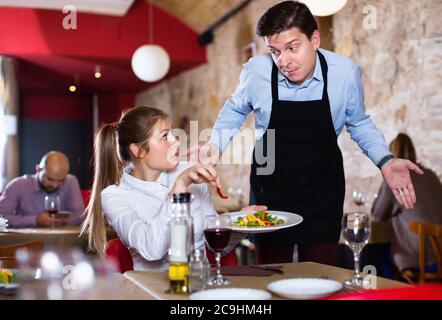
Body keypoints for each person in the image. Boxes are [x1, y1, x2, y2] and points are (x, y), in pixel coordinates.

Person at [196, 1, 423, 265]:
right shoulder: (256, 71)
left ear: (314, 39)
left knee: (320, 275)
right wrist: (216, 144)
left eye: (292, 48)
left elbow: (358, 122)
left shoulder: (344, 73)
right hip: (270, 190)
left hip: (322, 193)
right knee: (271, 273)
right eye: (275, 51)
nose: (284, 61)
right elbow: (234, 110)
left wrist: (385, 160)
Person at [81, 106, 264, 271]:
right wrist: (179, 187)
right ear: (139, 150)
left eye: (173, 134)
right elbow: (152, 250)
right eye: (165, 136)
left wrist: (241, 222)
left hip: (201, 284)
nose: (176, 141)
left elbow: (216, 245)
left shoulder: (188, 173)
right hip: (154, 291)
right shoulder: (114, 196)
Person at [372, 133, 442, 273]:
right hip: (439, 257)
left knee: (373, 255)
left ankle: (378, 293)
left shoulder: (395, 178)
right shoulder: (431, 175)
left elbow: (378, 214)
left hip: (417, 261)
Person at [0, 151, 84, 228]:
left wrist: (57, 221)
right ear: (38, 169)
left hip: (62, 240)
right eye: (50, 179)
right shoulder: (17, 185)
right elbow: (1, 218)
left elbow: (81, 217)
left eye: (61, 180)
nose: (55, 185)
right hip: (26, 241)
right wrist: (35, 220)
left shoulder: (71, 181)